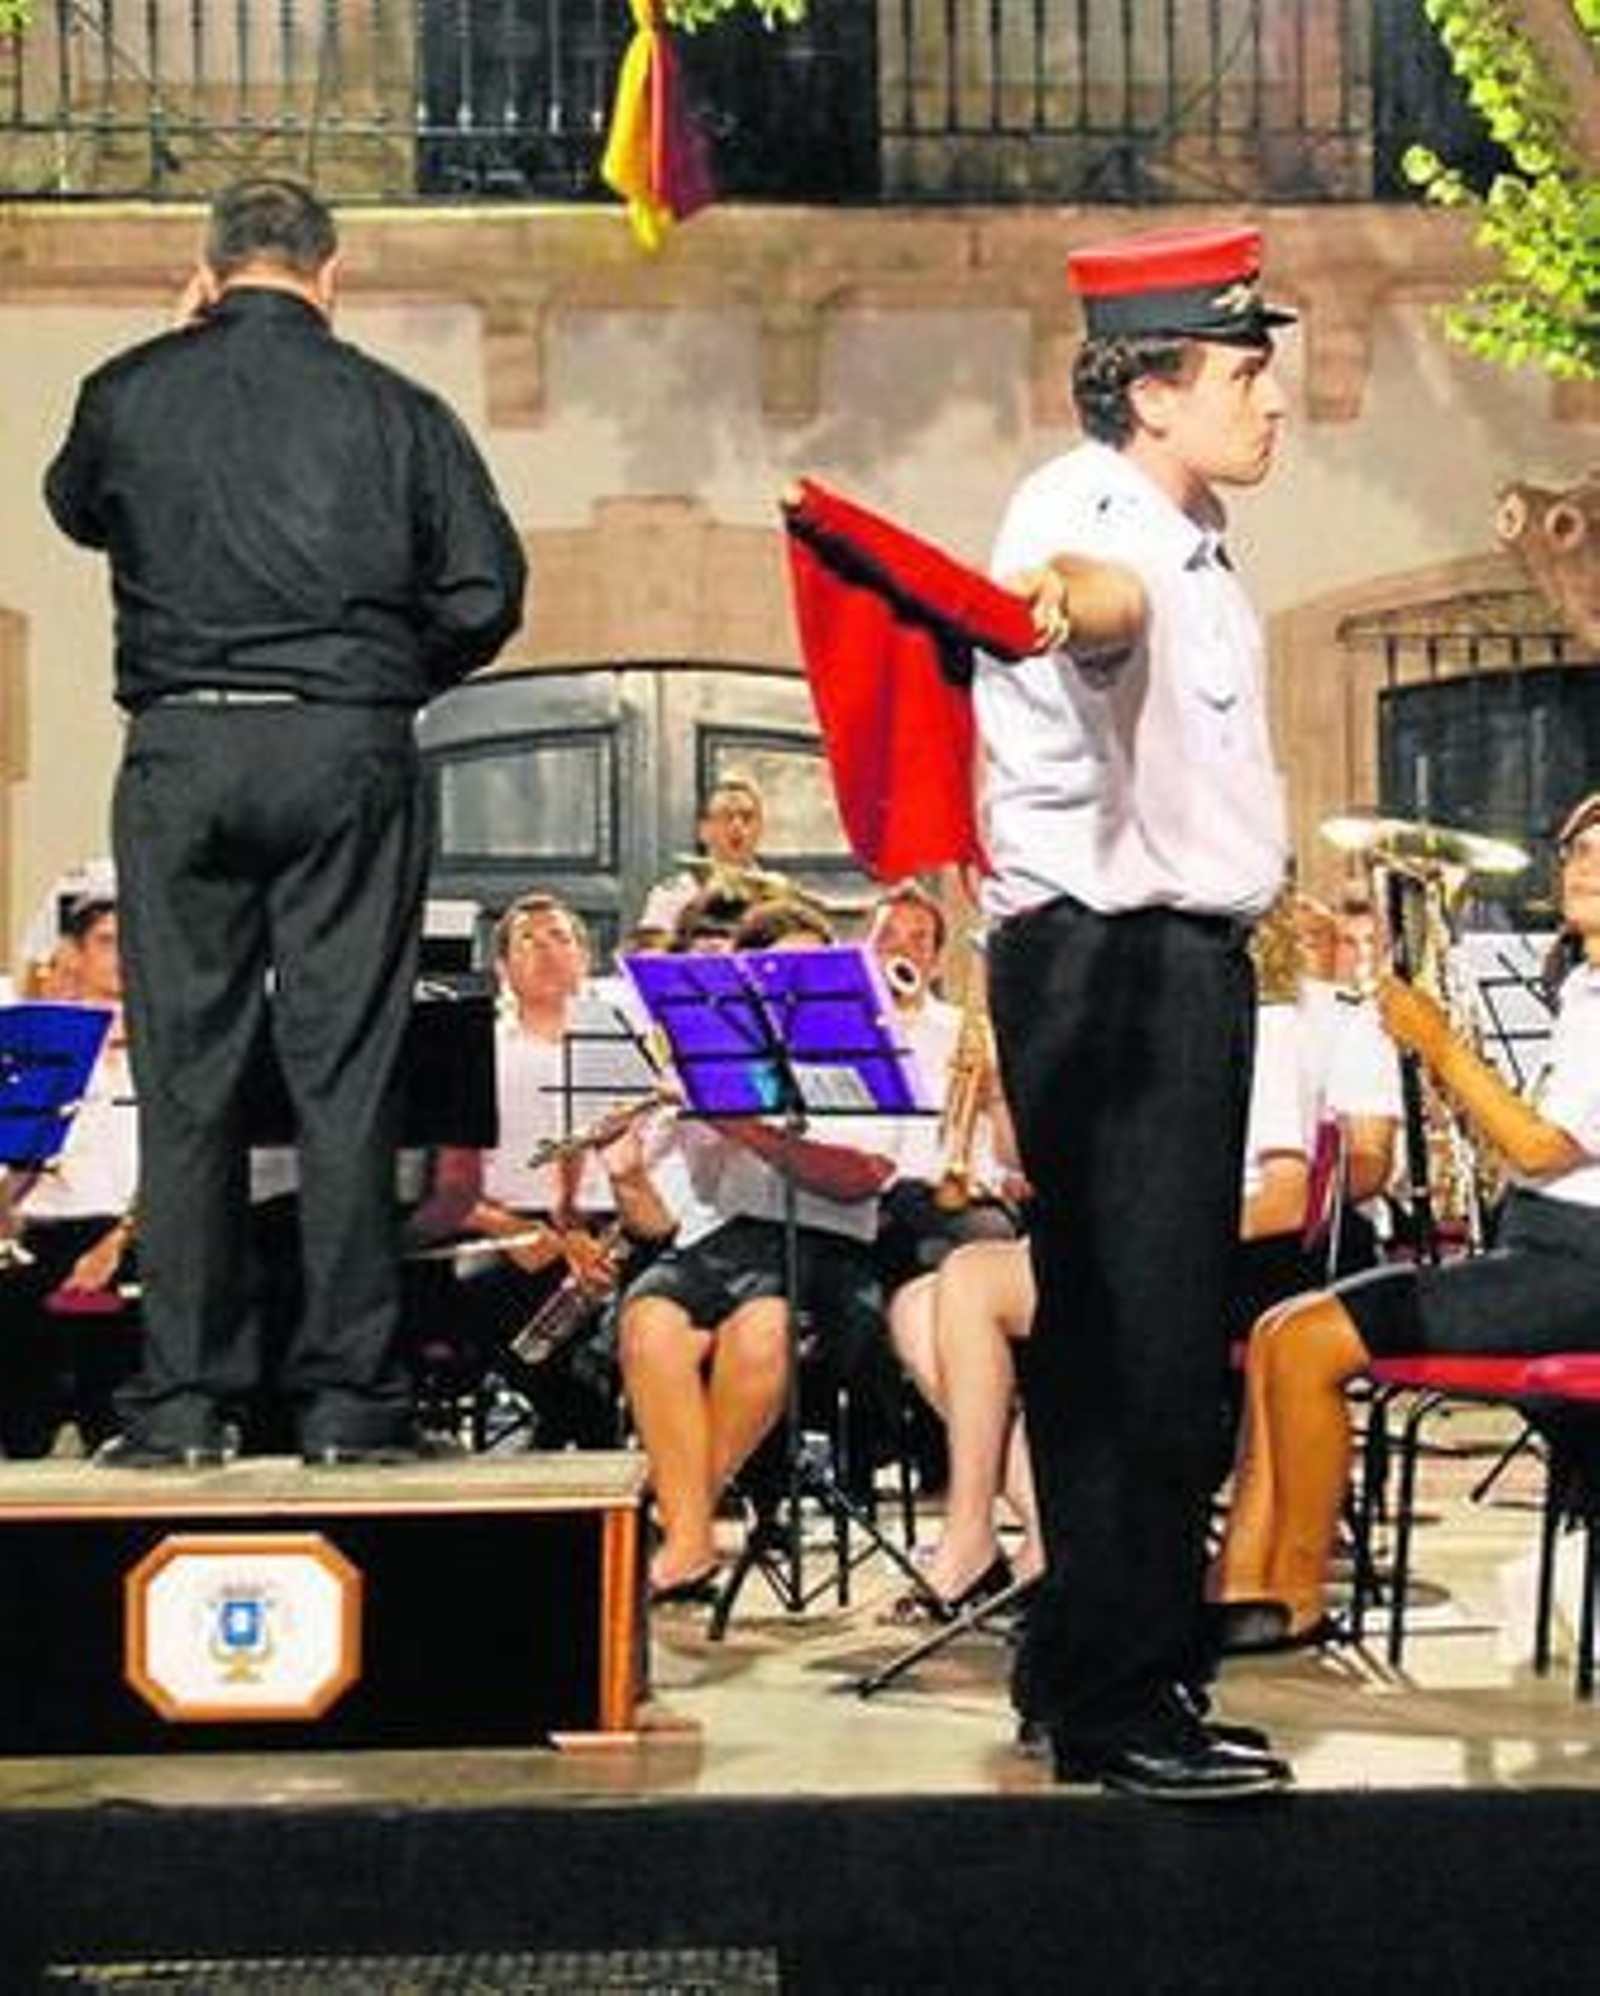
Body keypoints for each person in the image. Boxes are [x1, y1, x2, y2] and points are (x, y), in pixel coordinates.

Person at [43, 176, 528, 1468]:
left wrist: (178, 341)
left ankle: (184, 1404)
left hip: (185, 749)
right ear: (334, 273)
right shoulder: (399, 410)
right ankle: (348, 1403)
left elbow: (75, 506)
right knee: (346, 1069)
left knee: (188, 1080)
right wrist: (371, 683)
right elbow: (486, 591)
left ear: (209, 269)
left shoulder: (131, 389)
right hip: (344, 749)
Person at [973, 223, 1296, 1798]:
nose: (1273, 397)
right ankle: (1123, 1700)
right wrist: (1063, 606)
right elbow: (1086, 603)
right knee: (1150, 1346)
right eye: (1244, 369)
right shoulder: (1088, 512)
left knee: (1123, 1335)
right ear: (1150, 392)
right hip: (1119, 967)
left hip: (1157, 966)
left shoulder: (1194, 523)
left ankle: (1082, 1662)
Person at [1212, 792, 1600, 1653]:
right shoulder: (1582, 991)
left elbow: (1538, 1150)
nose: (1583, 864)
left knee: (1312, 1341)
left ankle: (1300, 1595)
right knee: (1280, 1331)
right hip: (1537, 1243)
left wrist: (1438, 1044)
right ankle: (1242, 1582)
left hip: (1581, 1266)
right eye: (1577, 850)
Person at [616, 897, 897, 1600]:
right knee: (649, 1322)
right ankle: (690, 1532)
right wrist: (638, 1153)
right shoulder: (711, 1053)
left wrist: (748, 1129)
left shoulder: (866, 1052)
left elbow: (859, 1178)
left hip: (827, 1244)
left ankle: (677, 1526)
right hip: (724, 1239)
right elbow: (675, 1207)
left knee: (764, 1330)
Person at [405, 893, 677, 1447]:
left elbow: (657, 1170)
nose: (549, 951)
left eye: (561, 938)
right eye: (529, 941)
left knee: (654, 1310)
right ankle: (589, 1446)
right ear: (503, 968)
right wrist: (517, 1232)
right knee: (478, 1294)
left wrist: (596, 1241)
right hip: (507, 1229)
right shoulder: (477, 1053)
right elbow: (444, 1182)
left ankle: (573, 1446)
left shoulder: (632, 1051)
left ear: (584, 957)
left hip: (619, 1229)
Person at [0, 896, 140, 1456]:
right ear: (75, 955)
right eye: (107, 942)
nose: (122, 957)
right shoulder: (37, 1048)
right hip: (46, 1235)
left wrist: (118, 1240)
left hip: (134, 1236)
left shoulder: (171, 1050)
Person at [634, 775, 788, 946]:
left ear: (760, 829)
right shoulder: (671, 895)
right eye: (726, 816)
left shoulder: (778, 895)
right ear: (703, 830)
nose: (737, 826)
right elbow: (652, 955)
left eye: (747, 817)